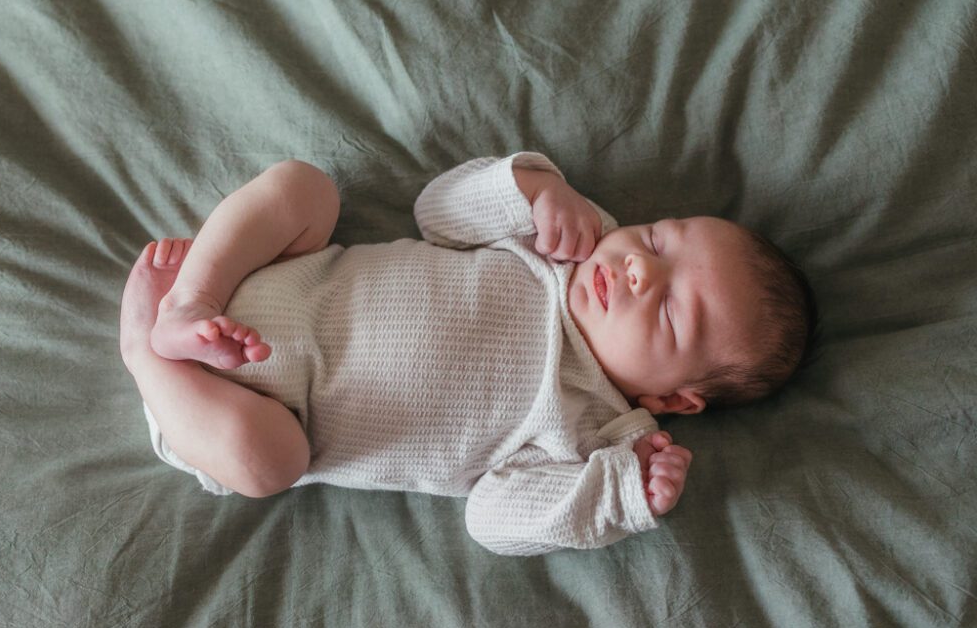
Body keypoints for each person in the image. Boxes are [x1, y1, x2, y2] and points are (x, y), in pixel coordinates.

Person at [119, 153, 817, 555]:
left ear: (671, 399)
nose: (639, 269)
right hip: (271, 270)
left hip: (234, 410)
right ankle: (190, 301)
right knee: (305, 187)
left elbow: (492, 520)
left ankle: (144, 351)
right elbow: (438, 211)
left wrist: (619, 492)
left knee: (270, 462)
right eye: (660, 239)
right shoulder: (564, 241)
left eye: (667, 309)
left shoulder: (590, 437)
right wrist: (538, 190)